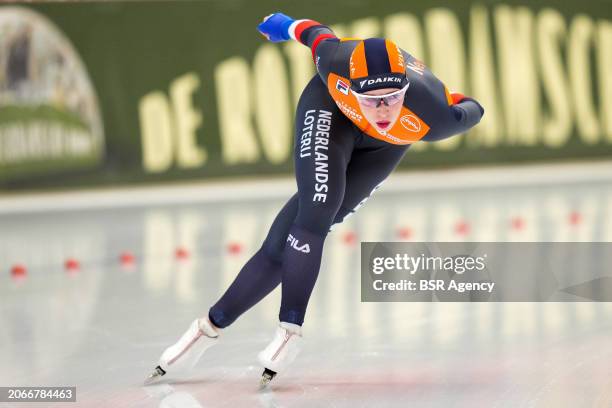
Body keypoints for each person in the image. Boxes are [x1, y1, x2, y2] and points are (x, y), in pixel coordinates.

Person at [146, 12, 484, 387]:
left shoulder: (435, 117)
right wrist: (280, 23)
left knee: (287, 241)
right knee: (315, 210)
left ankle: (212, 327)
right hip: (329, 114)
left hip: (383, 150)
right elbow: (313, 33)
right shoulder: (334, 62)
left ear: (405, 90)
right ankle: (274, 330)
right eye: (371, 100)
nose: (383, 111)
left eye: (392, 98)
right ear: (352, 87)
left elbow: (472, 108)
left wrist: (454, 97)